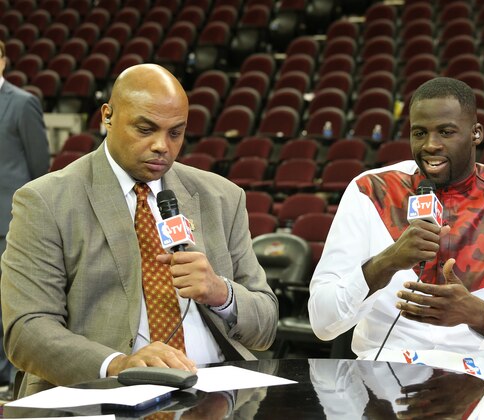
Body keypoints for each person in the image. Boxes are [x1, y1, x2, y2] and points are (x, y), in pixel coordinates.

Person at [1, 63, 278, 397]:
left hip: (215, 392)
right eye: (145, 129)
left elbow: (266, 325)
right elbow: (26, 331)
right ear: (107, 116)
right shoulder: (46, 201)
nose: (162, 145)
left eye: (175, 132)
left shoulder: (223, 197)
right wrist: (119, 364)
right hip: (101, 392)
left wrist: (222, 294)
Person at [308, 77, 484, 417]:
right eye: (419, 133)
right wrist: (387, 262)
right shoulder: (371, 191)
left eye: (446, 132)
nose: (430, 145)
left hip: (482, 377)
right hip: (379, 373)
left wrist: (475, 313)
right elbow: (322, 321)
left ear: (476, 133)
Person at [0, 40, 50, 390]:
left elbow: (38, 166)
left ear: (3, 60)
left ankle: (8, 374)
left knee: (7, 301)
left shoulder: (22, 103)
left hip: (8, 217)